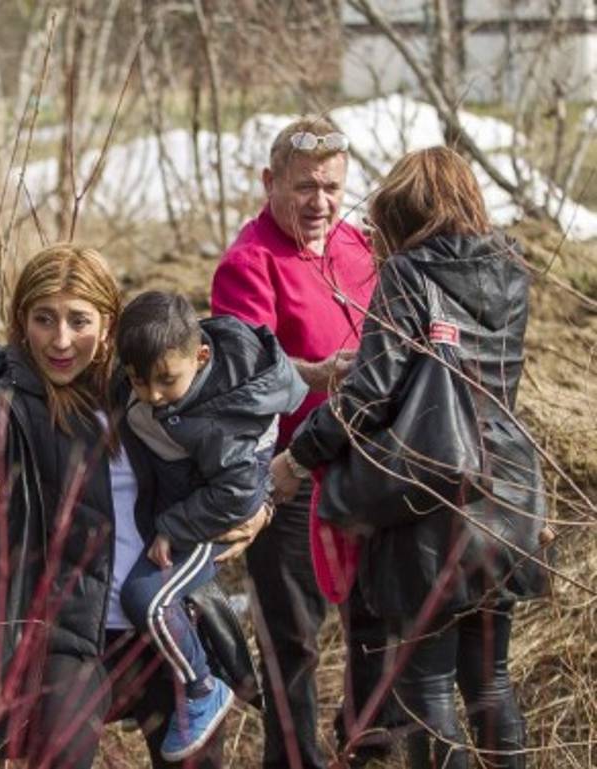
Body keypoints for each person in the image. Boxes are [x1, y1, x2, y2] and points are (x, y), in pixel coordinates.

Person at [0, 245, 264, 768]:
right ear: (23, 322)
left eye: (78, 320)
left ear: (108, 322)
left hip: (168, 621)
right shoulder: (12, 393)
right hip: (68, 633)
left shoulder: (147, 382)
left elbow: (233, 433)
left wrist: (258, 504)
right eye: (44, 319)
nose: (61, 340)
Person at [271, 146, 547, 769]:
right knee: (491, 683)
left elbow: (369, 394)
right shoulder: (510, 271)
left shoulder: (408, 274)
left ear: (404, 213)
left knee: (426, 687)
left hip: (430, 499)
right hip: (504, 491)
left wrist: (296, 458)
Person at [210, 115, 395, 768]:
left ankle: (364, 746)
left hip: (365, 468)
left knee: (375, 625)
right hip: (289, 476)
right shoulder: (247, 263)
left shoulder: (359, 246)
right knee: (292, 640)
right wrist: (315, 374)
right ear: (269, 183)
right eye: (305, 187)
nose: (320, 203)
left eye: (334, 188)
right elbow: (242, 374)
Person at [114, 291, 306, 761]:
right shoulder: (162, 373)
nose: (153, 395)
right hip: (181, 509)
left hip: (208, 523)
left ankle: (201, 690)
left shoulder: (225, 423)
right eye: (139, 382)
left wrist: (175, 527)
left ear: (201, 357)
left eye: (165, 381)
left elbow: (237, 495)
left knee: (148, 600)